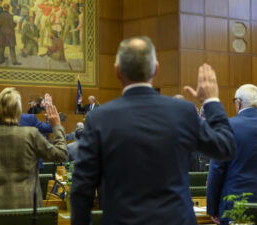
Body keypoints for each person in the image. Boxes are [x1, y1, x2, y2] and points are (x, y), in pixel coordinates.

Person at [70, 36, 236, 225]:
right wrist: (211, 101)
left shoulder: (100, 118)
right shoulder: (183, 112)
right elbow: (225, 147)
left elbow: (82, 187)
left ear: (117, 71)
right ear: (156, 69)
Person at [0, 87, 67, 209]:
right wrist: (57, 127)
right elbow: (61, 155)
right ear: (18, 110)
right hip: (27, 207)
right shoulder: (31, 134)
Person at [206, 84, 257, 225]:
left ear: (238, 102)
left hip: (235, 205)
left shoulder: (225, 127)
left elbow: (216, 170)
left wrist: (212, 208)